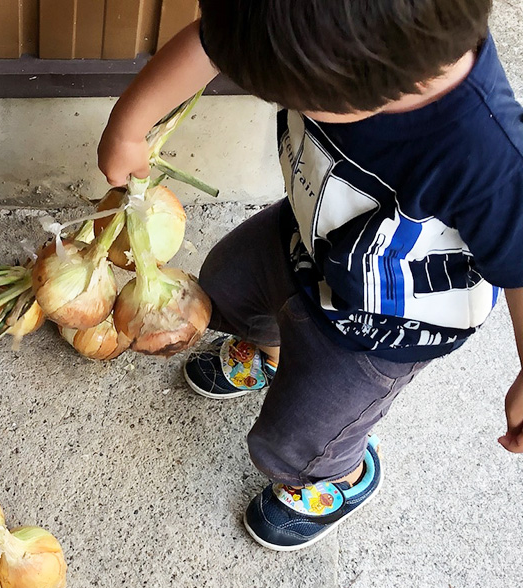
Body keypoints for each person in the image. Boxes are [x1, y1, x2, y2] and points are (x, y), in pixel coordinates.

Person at [98, 0, 523, 551]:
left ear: (373, 83)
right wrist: (129, 126)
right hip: (309, 233)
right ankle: (271, 354)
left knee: (293, 441)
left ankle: (337, 476)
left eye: (285, 94)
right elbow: (214, 41)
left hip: (383, 324)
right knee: (225, 286)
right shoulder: (320, 36)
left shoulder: (487, 156)